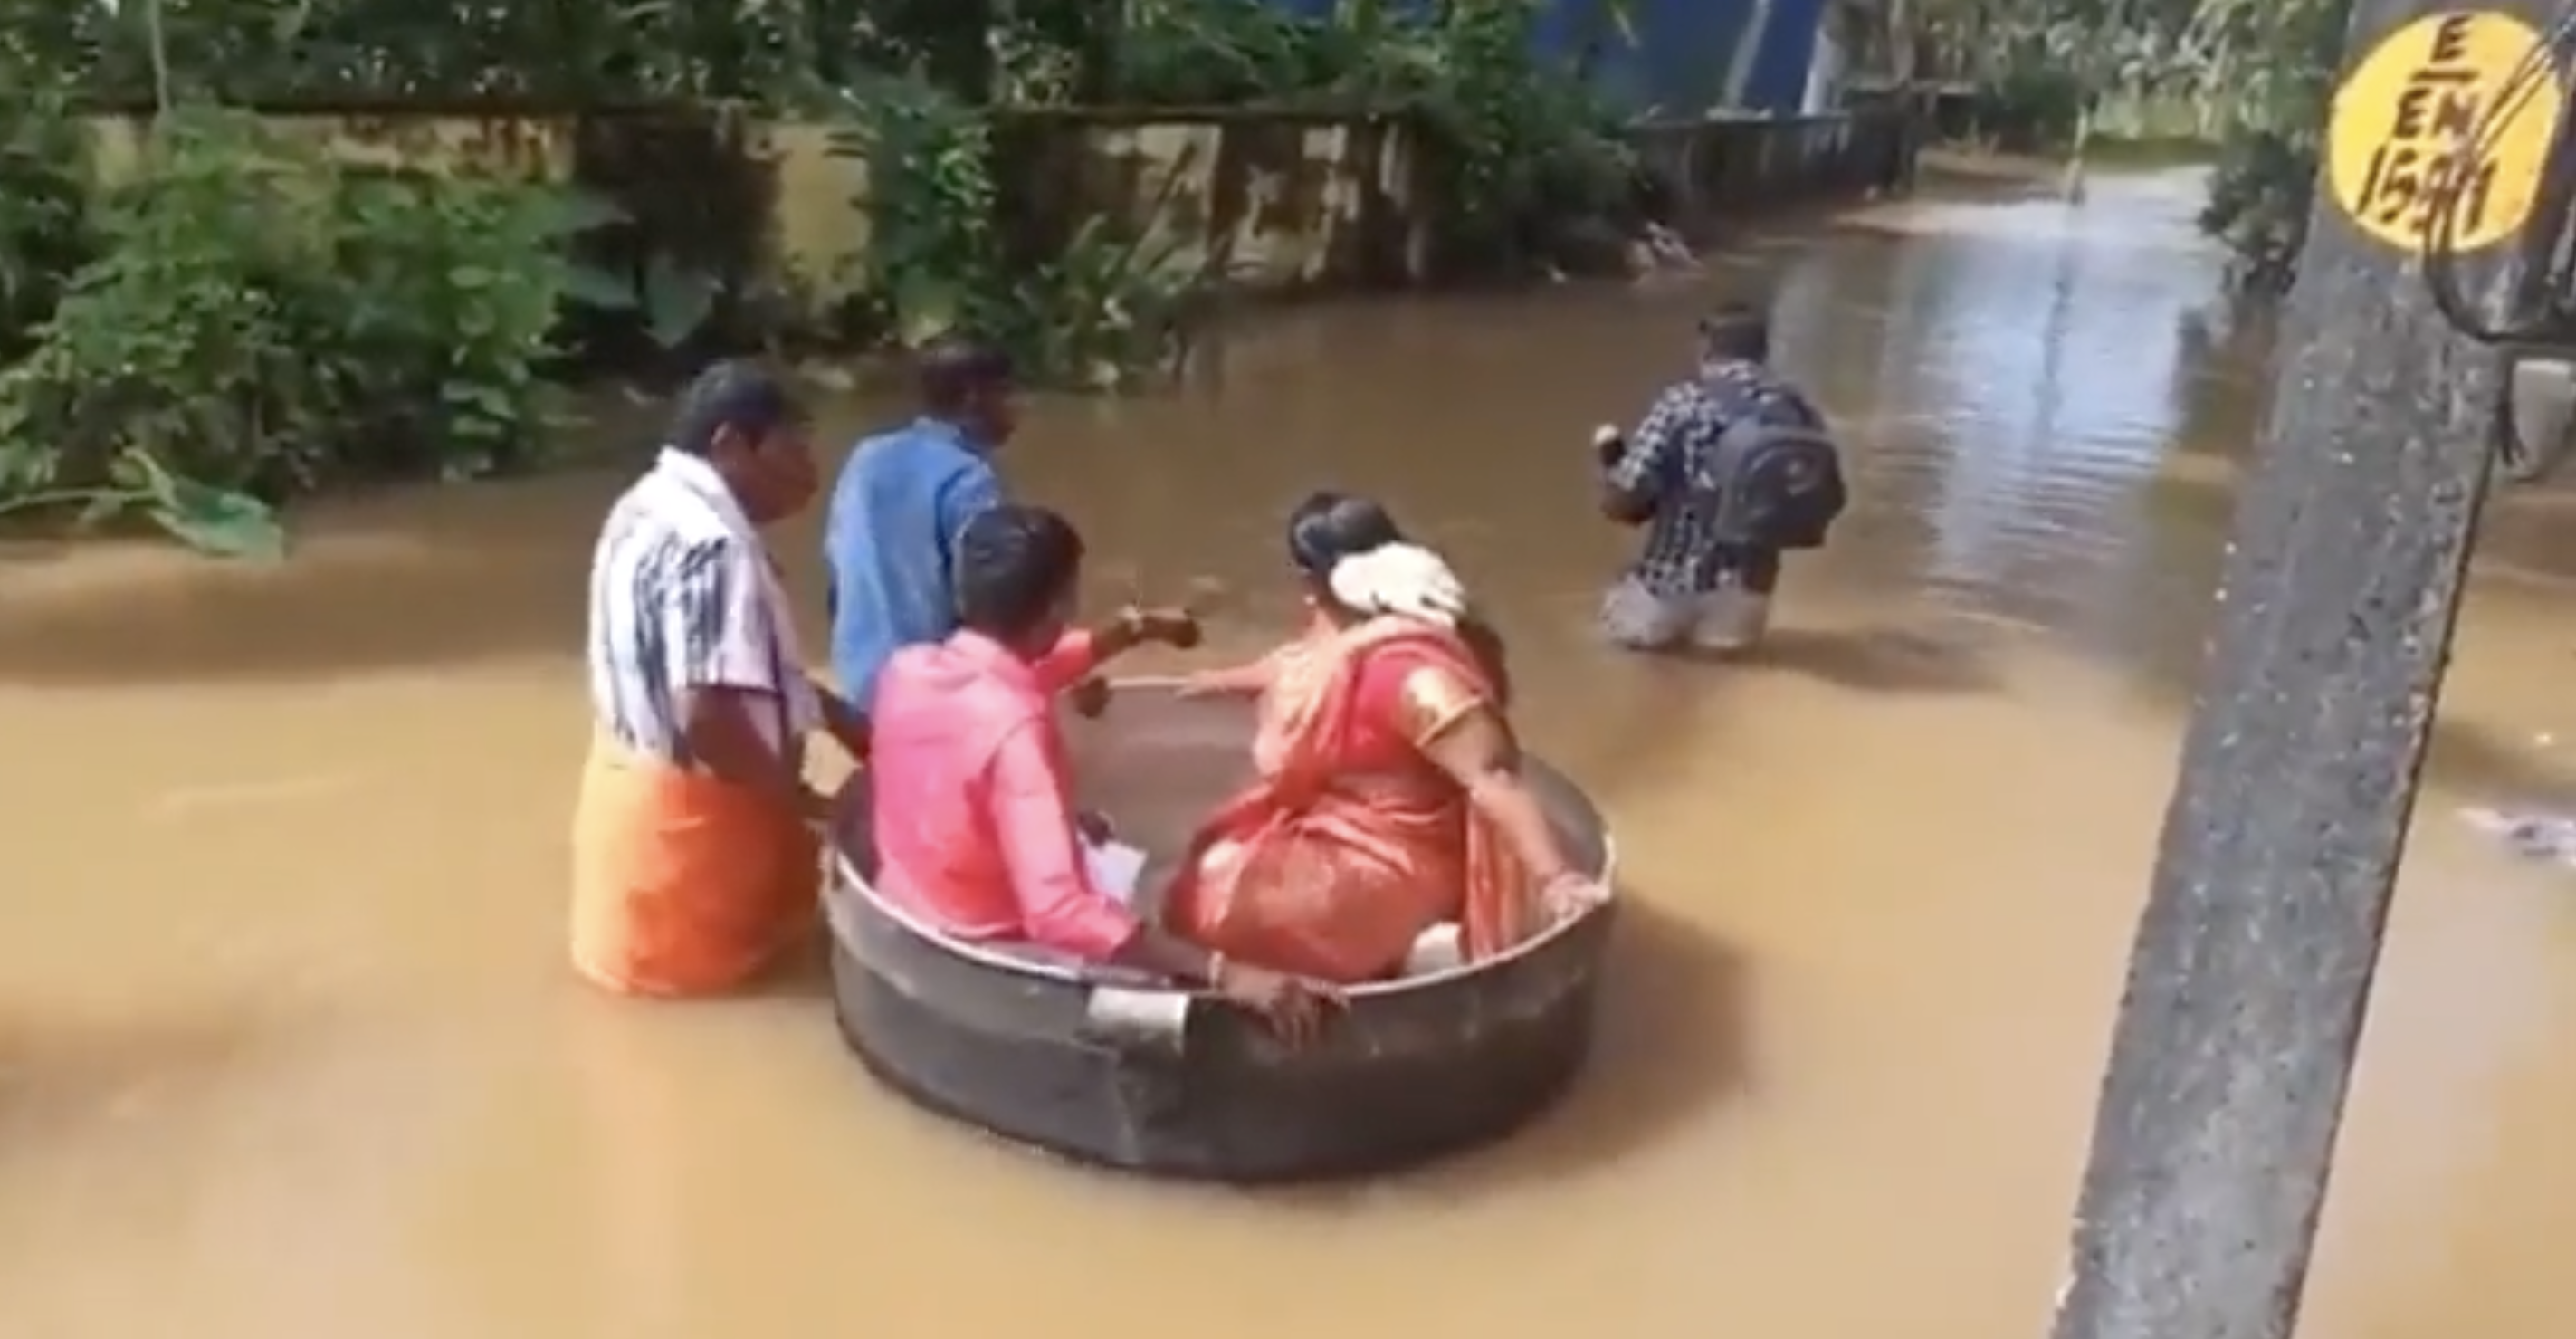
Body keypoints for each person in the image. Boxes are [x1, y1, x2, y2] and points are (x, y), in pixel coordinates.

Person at [867, 503, 1335, 1041]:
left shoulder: (907, 671)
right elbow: (1058, 912)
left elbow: (1030, 666)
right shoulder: (1016, 726)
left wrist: (1131, 632)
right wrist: (1226, 973)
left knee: (1104, 846)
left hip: (907, 917)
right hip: (997, 957)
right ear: (1061, 602)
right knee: (1175, 924)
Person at [1164, 493, 1608, 985]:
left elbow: (1493, 777)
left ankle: (1399, 956)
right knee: (1215, 863)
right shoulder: (1348, 635)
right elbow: (1294, 665)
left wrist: (1558, 879)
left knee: (1224, 904)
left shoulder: (1414, 676)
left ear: (1312, 582)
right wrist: (1225, 681)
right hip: (1341, 820)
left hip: (1408, 850)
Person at [570, 362, 873, 999]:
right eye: (796, 447)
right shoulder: (716, 546)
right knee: (739, 1005)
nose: (811, 473)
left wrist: (849, 725)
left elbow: (743, 672)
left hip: (630, 814)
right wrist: (808, 806)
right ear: (731, 444)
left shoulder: (644, 505)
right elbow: (706, 715)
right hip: (695, 844)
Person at [1595, 302, 1844, 655]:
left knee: (1619, 654)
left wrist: (1608, 462)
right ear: (1763, 352)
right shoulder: (1796, 409)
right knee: (1724, 681)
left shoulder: (1682, 402)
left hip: (1667, 590)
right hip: (1748, 596)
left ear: (1706, 348)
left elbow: (1624, 501)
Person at [825, 336, 1019, 707]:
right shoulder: (970, 477)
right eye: (1007, 395)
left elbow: (837, 575)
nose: (1017, 409)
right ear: (972, 399)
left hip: (858, 681)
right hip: (934, 688)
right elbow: (988, 600)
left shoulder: (865, 458)